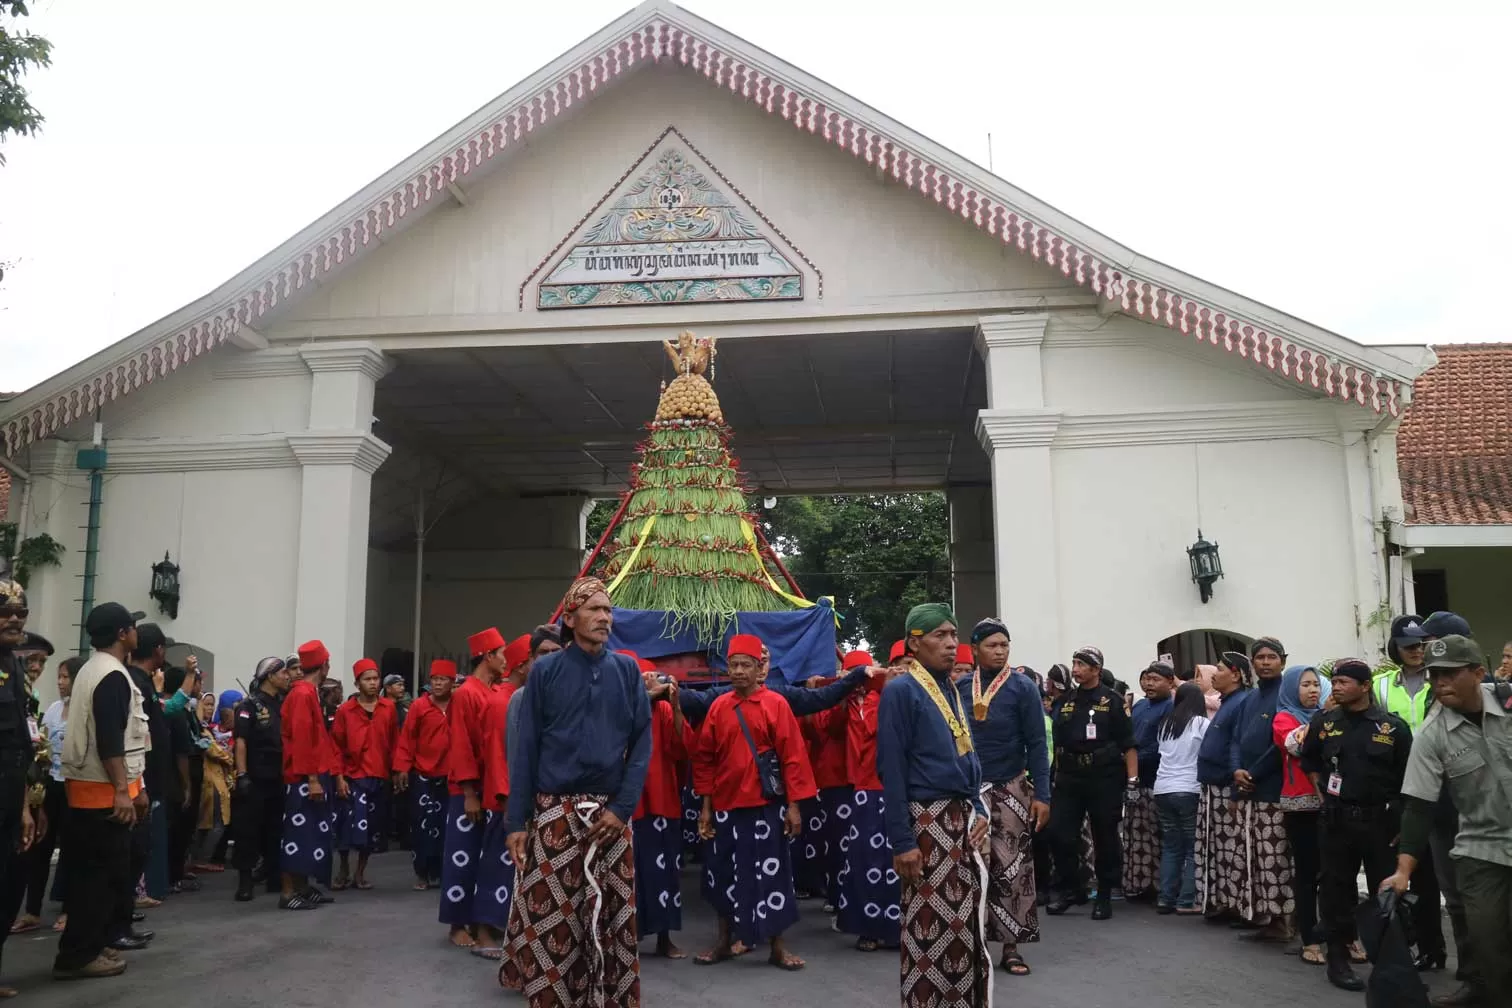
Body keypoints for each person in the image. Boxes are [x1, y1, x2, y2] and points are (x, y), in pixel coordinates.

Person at [500, 577, 651, 1007]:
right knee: (552, 920)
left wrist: (621, 809)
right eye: (594, 610)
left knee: (610, 920)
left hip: (610, 817)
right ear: (570, 618)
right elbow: (526, 749)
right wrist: (516, 823)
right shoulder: (545, 671)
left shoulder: (626, 671)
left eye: (608, 610)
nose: (605, 617)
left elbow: (642, 744)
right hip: (553, 813)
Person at [1385, 635, 1510, 1008]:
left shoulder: (1508, 701)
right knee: (1488, 941)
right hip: (1481, 848)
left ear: (1477, 673)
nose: (1439, 683)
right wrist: (1403, 871)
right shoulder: (1431, 734)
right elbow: (1419, 806)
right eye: (1434, 675)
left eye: (1450, 674)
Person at [876, 602, 991, 1008]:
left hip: (961, 822)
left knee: (964, 930)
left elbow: (968, 758)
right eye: (939, 636)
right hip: (926, 826)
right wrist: (902, 842)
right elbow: (890, 770)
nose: (950, 644)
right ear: (914, 642)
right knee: (928, 932)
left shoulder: (951, 690)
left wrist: (979, 810)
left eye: (953, 635)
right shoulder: (901, 691)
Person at [692, 633, 815, 971]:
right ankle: (723, 941)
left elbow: (793, 758)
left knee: (772, 876)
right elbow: (704, 760)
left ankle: (777, 947)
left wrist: (794, 806)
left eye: (746, 665)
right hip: (725, 807)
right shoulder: (718, 706)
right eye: (733, 665)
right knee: (721, 874)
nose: (739, 671)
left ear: (760, 668)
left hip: (766, 806)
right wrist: (705, 808)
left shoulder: (776, 704)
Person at [1299, 657, 1411, 992]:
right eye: (1334, 681)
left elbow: (1408, 777)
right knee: (1336, 891)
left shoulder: (1392, 728)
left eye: (1345, 681)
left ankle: (1387, 964)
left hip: (1380, 822)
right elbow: (1309, 758)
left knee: (1384, 894)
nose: (1336, 687)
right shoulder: (1326, 722)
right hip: (1337, 821)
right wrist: (1323, 795)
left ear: (1364, 687)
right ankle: (1338, 959)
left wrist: (1404, 820)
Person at [54, 602, 150, 981]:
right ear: (123, 634)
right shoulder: (111, 675)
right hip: (101, 794)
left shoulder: (94, 670)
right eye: (132, 627)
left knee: (100, 876)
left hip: (90, 790)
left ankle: (91, 944)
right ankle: (78, 956)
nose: (135, 632)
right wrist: (122, 792)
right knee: (96, 879)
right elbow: (110, 740)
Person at [956, 617, 1047, 975]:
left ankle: (1011, 946)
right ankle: (971, 944)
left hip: (1011, 786)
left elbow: (1038, 743)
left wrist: (1043, 794)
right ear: (975, 649)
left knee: (1012, 866)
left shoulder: (1023, 688)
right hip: (968, 789)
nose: (999, 651)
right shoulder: (961, 687)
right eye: (992, 645)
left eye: (1004, 645)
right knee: (970, 866)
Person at [1372, 614, 1447, 974]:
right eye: (1408, 646)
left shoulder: (1443, 679)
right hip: (1403, 788)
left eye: (1420, 645)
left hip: (1446, 782)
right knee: (1415, 874)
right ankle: (1425, 947)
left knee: (1442, 875)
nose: (1416, 652)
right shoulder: (1382, 685)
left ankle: (1443, 949)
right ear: (1396, 649)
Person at [1045, 646, 1136, 921]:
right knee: (1059, 834)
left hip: (1103, 778)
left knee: (1105, 837)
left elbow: (1128, 744)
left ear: (1096, 670)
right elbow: (1057, 741)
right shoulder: (1067, 700)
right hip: (1069, 778)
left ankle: (1105, 895)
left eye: (1082, 664)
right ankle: (1073, 889)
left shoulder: (1114, 701)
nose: (1076, 669)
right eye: (1074, 663)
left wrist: (1132, 781)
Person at [821, 651, 903, 954]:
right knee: (864, 859)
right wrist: (842, 692)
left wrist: (888, 688)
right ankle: (866, 928)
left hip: (897, 786)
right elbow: (829, 728)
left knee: (898, 860)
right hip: (864, 787)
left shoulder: (892, 698)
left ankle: (896, 928)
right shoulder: (851, 703)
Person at [437, 628, 506, 949]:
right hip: (467, 790)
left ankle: (481, 922)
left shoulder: (489, 691)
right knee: (461, 858)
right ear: (489, 656)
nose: (506, 659)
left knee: (482, 860)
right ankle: (456, 924)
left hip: (485, 788)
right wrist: (468, 793)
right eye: (502, 653)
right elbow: (461, 746)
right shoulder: (467, 694)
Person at [1231, 637, 1294, 941]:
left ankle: (1285, 920)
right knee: (1257, 856)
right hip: (1249, 791)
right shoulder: (1250, 699)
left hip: (1274, 790)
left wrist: (1252, 773)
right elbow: (1236, 740)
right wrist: (1237, 772)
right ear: (1252, 663)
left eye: (1272, 657)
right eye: (1260, 657)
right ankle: (1267, 917)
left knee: (1277, 856)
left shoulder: (1287, 694)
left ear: (1283, 660)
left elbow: (1280, 744)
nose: (1266, 662)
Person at [13, 656, 79, 937]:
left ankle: (67, 907)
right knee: (40, 847)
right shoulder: (52, 709)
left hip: (73, 785)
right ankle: (32, 911)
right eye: (59, 677)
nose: (61, 682)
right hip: (50, 783)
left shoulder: (83, 710)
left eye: (66, 677)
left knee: (71, 850)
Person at [632, 662, 692, 961]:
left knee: (665, 872)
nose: (649, 683)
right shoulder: (621, 707)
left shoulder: (665, 711)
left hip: (662, 802)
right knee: (628, 875)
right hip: (628, 805)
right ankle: (627, 938)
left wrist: (676, 705)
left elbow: (683, 749)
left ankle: (664, 938)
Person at [0, 567, 42, 994]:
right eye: (4, 611)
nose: (14, 619)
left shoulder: (14, 666)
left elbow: (22, 746)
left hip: (11, 800)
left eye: (20, 611)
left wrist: (27, 806)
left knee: (9, 888)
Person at [279, 640, 341, 911]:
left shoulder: (307, 692)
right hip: (304, 777)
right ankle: (288, 891)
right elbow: (303, 739)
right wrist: (313, 779)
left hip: (310, 773)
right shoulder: (304, 695)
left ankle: (302, 887)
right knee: (298, 834)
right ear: (324, 665)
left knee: (310, 834)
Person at [1274, 664, 1329, 965]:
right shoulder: (1284, 718)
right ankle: (1310, 939)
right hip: (1301, 806)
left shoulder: (1327, 716)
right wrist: (1324, 717)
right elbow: (1297, 744)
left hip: (1332, 804)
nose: (1313, 690)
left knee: (1335, 875)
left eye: (1317, 685)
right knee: (1307, 875)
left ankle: (1345, 936)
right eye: (1305, 685)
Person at [1194, 652, 1253, 921]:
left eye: (1219, 669)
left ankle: (1234, 904)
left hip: (1225, 787)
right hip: (1212, 787)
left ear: (1236, 674)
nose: (1214, 674)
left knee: (1231, 849)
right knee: (1218, 850)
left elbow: (1236, 745)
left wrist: (1234, 788)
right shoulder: (1227, 702)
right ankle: (1222, 901)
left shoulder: (1241, 702)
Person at [331, 658, 397, 891]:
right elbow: (336, 745)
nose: (372, 683)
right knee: (347, 826)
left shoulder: (388, 709)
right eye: (367, 679)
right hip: (352, 777)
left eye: (375, 679)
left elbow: (394, 742)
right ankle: (343, 868)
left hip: (378, 775)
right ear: (357, 683)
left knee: (372, 827)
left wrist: (396, 772)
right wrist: (338, 777)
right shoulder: (345, 711)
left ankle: (360, 872)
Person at [392, 658, 453, 891]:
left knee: (447, 826)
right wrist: (402, 768)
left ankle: (442, 871)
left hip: (450, 775)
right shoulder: (419, 706)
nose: (437, 684)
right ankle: (422, 873)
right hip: (423, 775)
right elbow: (407, 739)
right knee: (422, 825)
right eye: (434, 680)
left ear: (451, 682)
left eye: (443, 680)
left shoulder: (458, 704)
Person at [231, 657, 289, 902]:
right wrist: (242, 774)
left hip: (278, 776)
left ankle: (274, 876)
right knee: (247, 831)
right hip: (254, 777)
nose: (287, 676)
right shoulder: (249, 705)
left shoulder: (283, 704)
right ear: (269, 676)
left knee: (275, 829)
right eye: (283, 673)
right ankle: (245, 882)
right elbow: (241, 741)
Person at [124, 626, 173, 906]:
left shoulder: (145, 682)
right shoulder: (137, 682)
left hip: (148, 779)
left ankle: (132, 902)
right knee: (135, 845)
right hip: (138, 780)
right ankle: (126, 905)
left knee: (142, 844)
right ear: (158, 649)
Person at [1152, 681, 1209, 915]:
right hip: (1188, 789)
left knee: (1171, 846)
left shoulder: (1165, 724)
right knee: (1191, 847)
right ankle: (1186, 900)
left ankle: (1165, 898)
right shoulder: (1201, 723)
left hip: (1162, 788)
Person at [1123, 659, 1175, 904]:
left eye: (1156, 680)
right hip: (1134, 778)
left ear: (1170, 682)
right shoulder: (1141, 705)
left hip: (1154, 777)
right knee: (1136, 834)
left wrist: (1133, 761)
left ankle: (1157, 885)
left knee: (1154, 834)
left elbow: (1160, 746)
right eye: (1147, 679)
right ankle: (1138, 884)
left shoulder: (1170, 707)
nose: (1149, 684)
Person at [162, 655, 205, 894]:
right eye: (195, 682)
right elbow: (182, 753)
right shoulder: (174, 712)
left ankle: (177, 869)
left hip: (184, 775)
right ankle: (172, 874)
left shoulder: (185, 711)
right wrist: (187, 785)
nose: (198, 687)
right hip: (177, 779)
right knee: (178, 828)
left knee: (183, 828)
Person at [191, 691, 234, 874]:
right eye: (205, 704)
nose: (209, 708)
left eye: (211, 704)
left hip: (216, 778)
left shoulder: (206, 727)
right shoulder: (201, 729)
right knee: (217, 822)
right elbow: (214, 750)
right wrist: (229, 757)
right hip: (210, 780)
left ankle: (197, 859)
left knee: (210, 822)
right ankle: (201, 859)